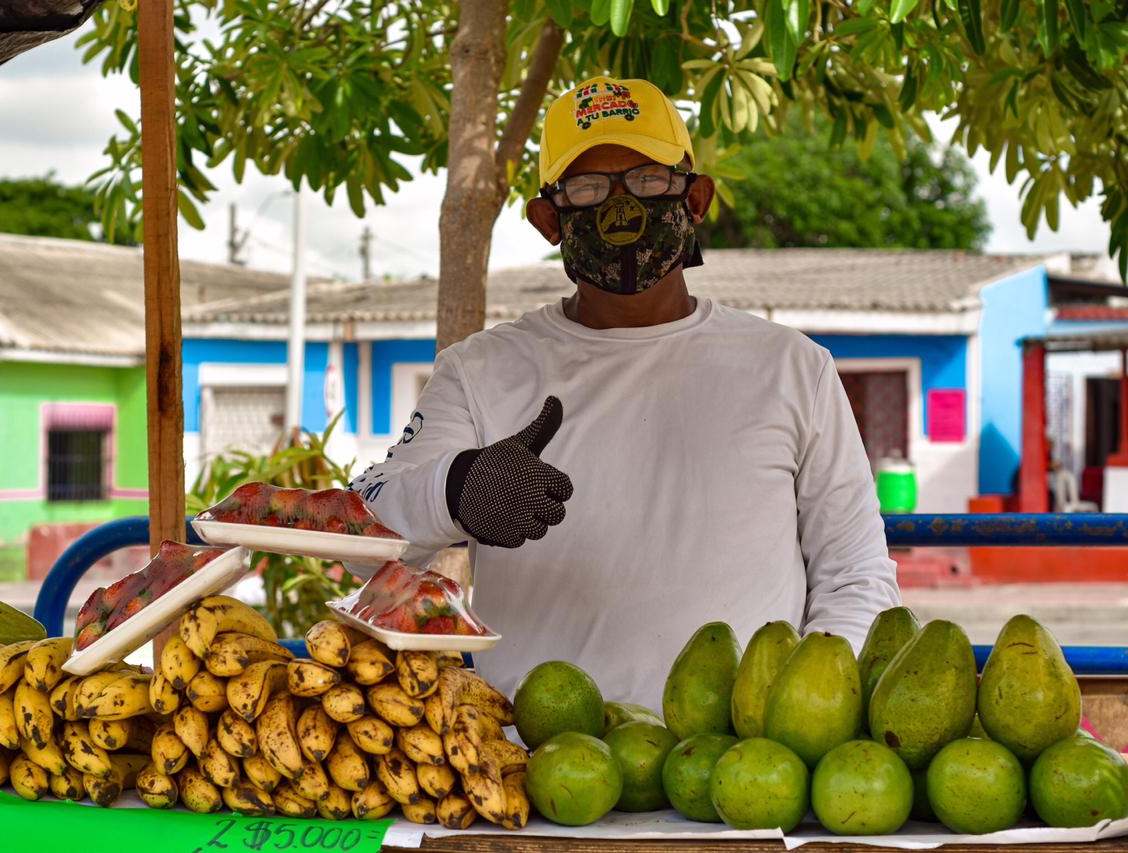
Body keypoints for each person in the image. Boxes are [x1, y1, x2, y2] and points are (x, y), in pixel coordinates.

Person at [349, 76, 901, 704]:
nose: (621, 209)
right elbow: (364, 540)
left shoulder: (793, 369)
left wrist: (804, 703)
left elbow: (856, 573)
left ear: (695, 200)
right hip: (529, 768)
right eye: (587, 189)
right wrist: (456, 488)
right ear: (548, 220)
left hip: (739, 772)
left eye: (647, 180)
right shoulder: (479, 371)